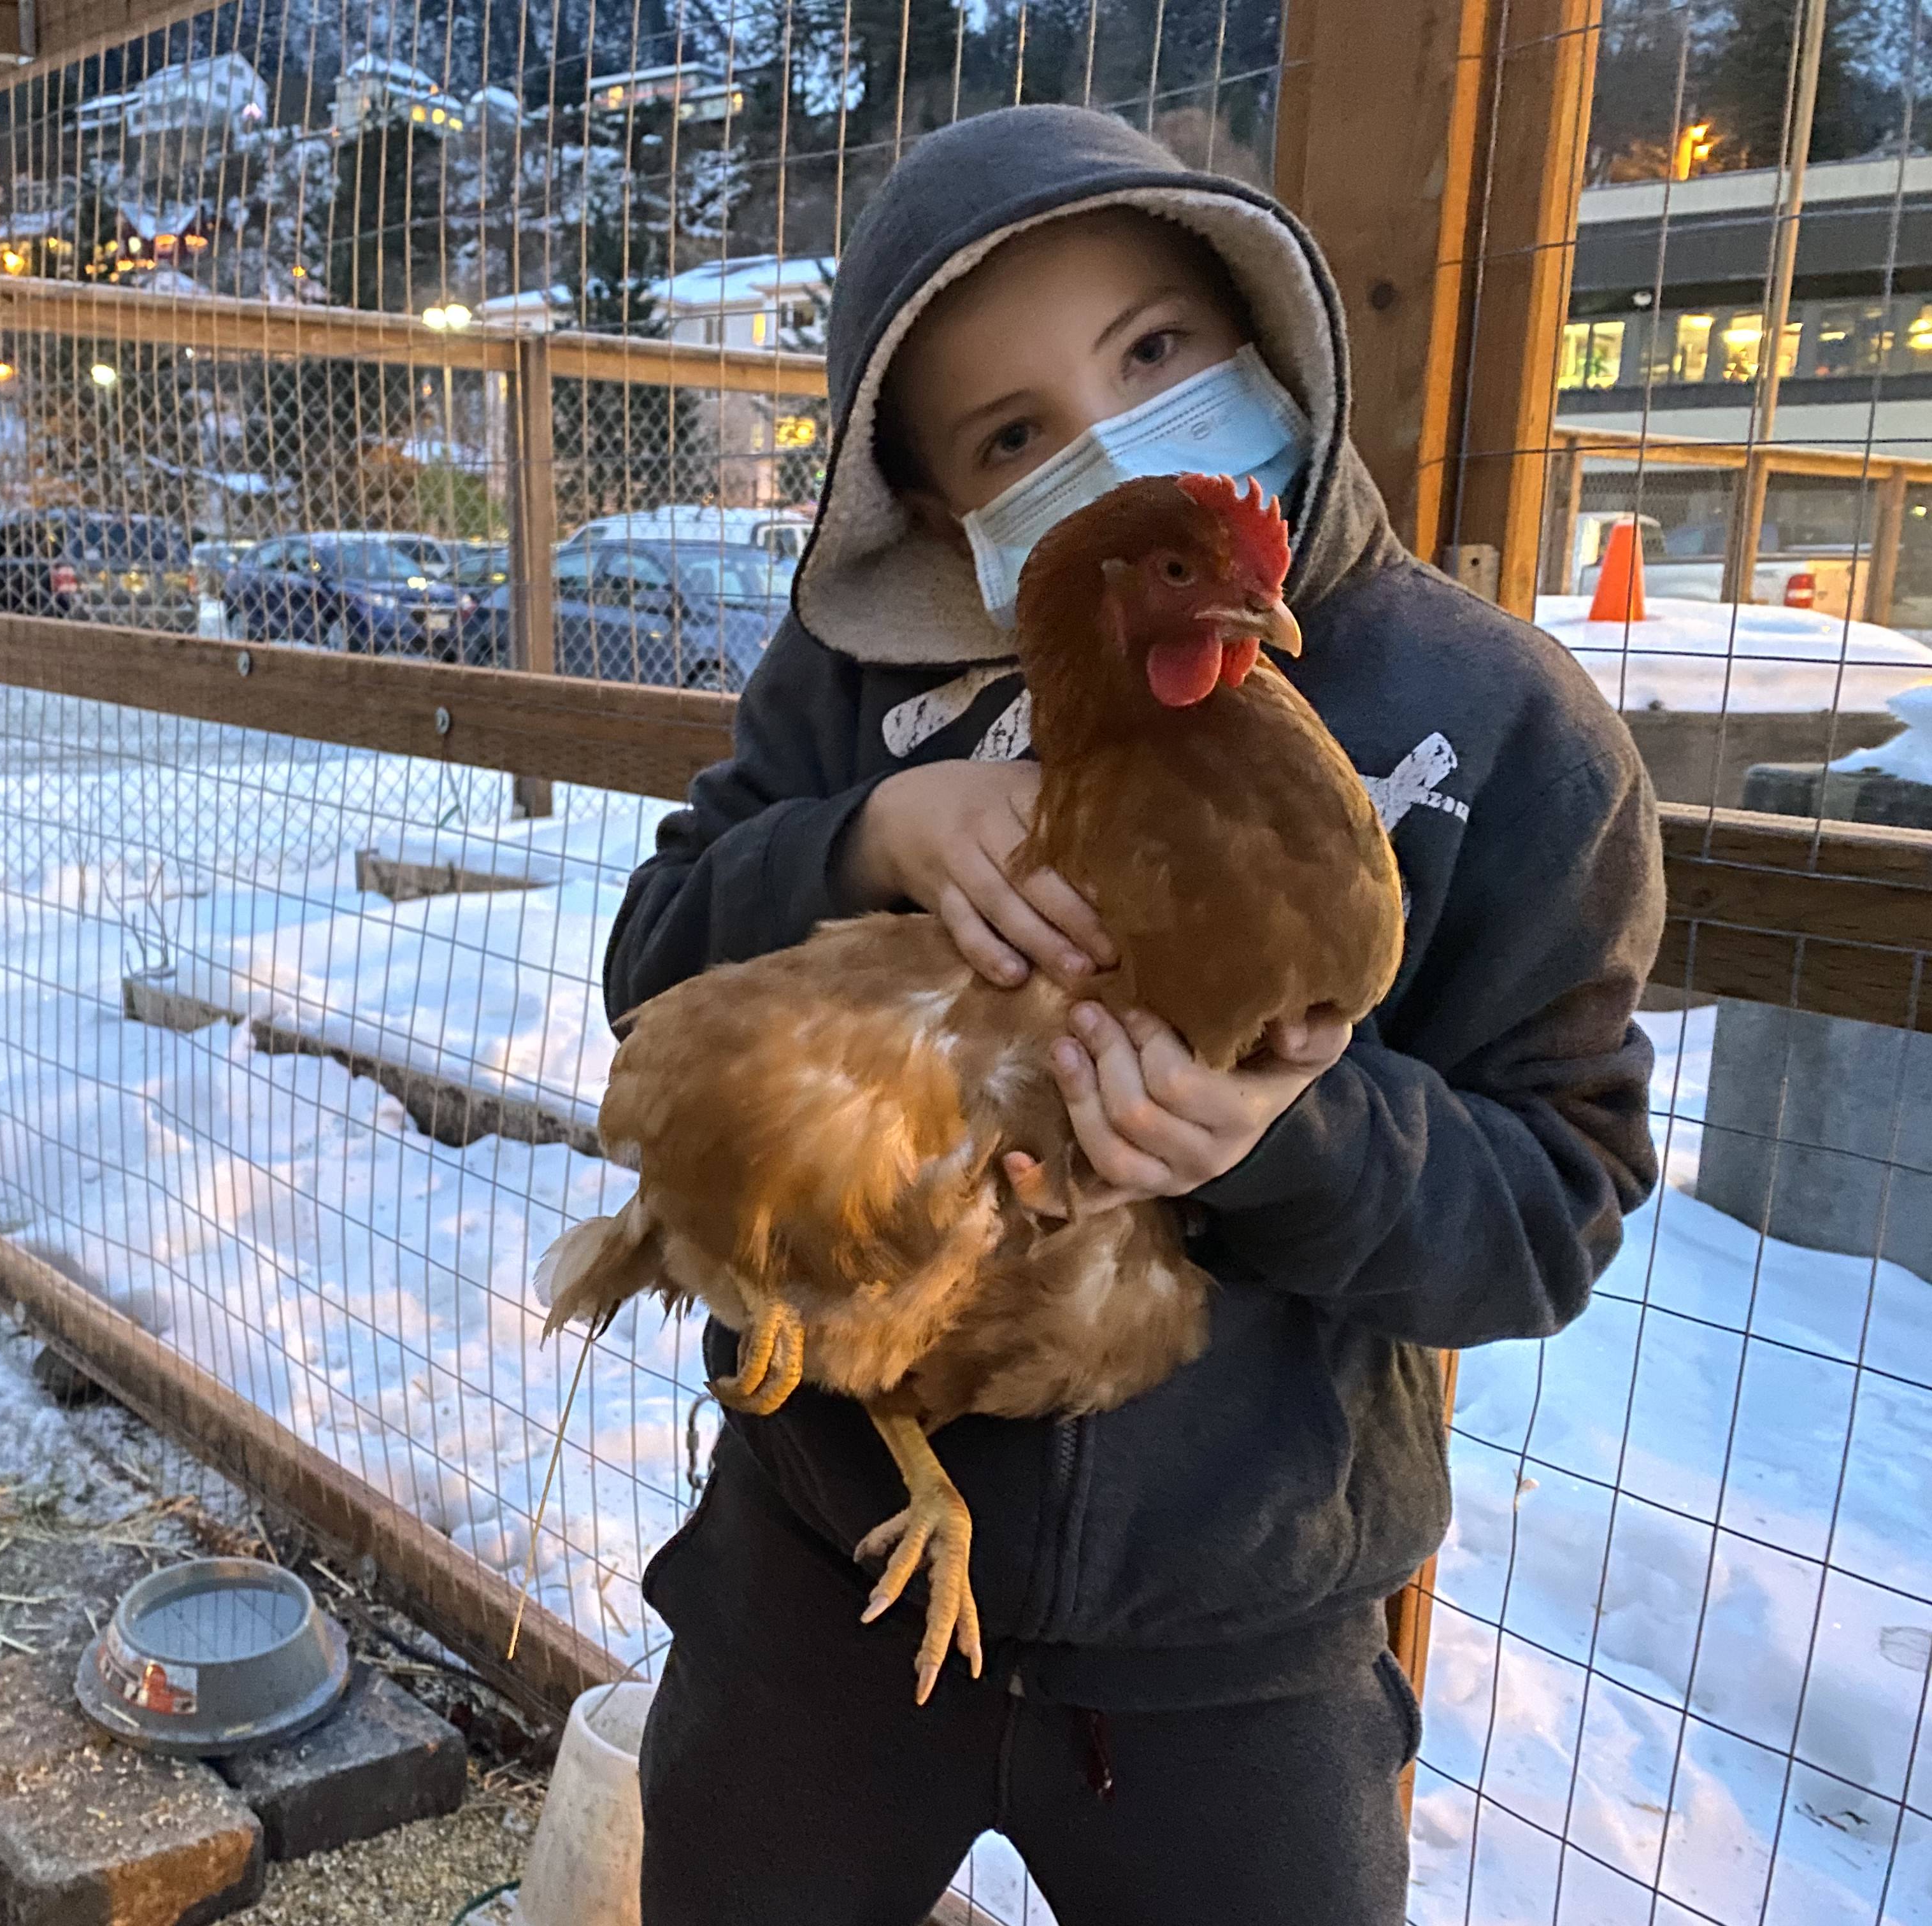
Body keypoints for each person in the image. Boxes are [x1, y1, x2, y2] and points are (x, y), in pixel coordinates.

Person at [603, 104, 1662, 1925]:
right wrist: (859, 833)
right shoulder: (860, 687)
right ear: (940, 500)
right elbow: (657, 967)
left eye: (1156, 352)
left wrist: (1291, 1142)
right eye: (1015, 432)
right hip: (825, 1565)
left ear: (1260, 332)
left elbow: (1552, 1204)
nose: (1102, 442)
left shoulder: (1495, 725)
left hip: (1236, 1643)